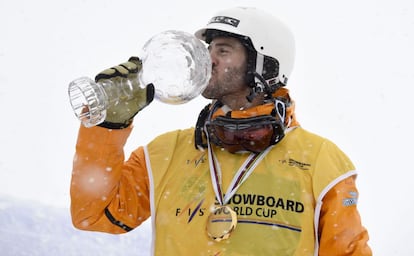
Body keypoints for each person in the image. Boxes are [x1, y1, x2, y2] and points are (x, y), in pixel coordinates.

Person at [70, 7, 372, 255]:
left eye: (223, 51)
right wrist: (107, 126)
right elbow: (93, 215)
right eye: (209, 49)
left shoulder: (321, 161)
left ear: (264, 66)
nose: (207, 60)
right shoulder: (166, 152)